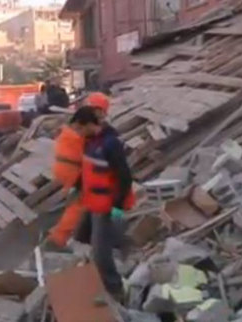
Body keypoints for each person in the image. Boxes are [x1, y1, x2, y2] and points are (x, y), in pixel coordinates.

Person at [74, 99, 135, 304]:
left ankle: (115, 290)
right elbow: (89, 169)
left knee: (100, 252)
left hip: (106, 204)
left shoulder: (111, 143)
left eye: (80, 128)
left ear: (89, 124)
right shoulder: (90, 142)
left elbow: (125, 176)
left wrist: (117, 206)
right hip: (92, 201)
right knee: (81, 235)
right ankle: (116, 245)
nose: (78, 133)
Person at [44, 107, 100, 251]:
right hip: (70, 170)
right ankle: (58, 239)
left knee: (78, 201)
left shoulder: (70, 131)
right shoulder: (77, 134)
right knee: (80, 203)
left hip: (67, 169)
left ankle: (59, 234)